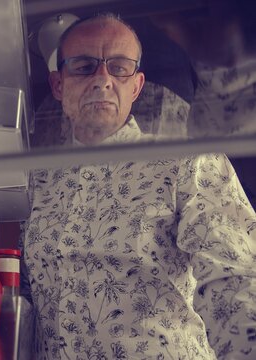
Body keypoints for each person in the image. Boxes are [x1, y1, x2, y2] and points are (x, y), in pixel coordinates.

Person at [21, 13, 256, 359]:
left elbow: (235, 277)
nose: (102, 80)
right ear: (59, 85)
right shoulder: (36, 180)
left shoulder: (186, 161)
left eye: (118, 67)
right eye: (85, 66)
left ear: (136, 86)